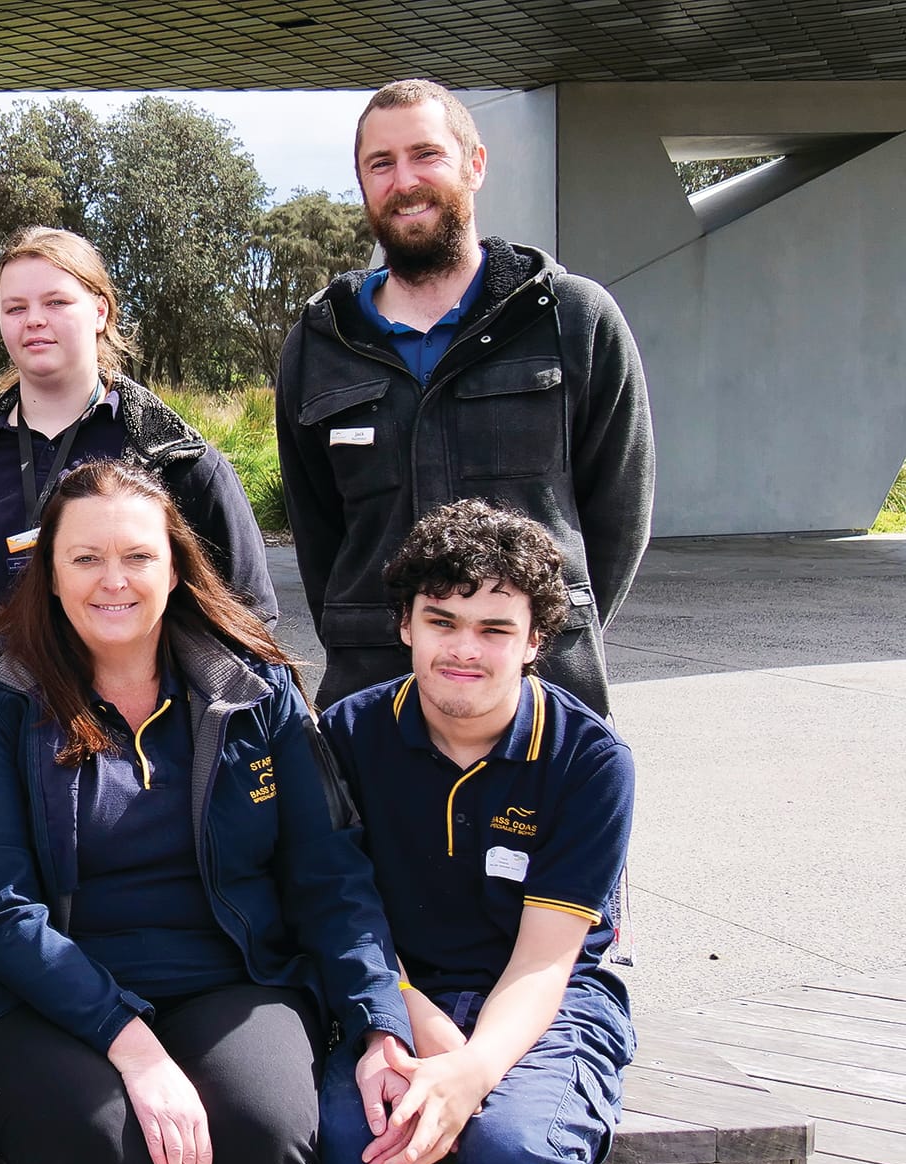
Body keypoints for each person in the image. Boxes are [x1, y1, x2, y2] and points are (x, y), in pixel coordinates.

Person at [0, 458, 410, 1164]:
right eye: (86, 556)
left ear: (176, 567)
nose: (114, 579)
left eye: (137, 555)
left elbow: (327, 877)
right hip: (37, 1003)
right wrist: (132, 1046)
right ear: (49, 573)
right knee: (109, 1143)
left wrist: (381, 1020)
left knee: (267, 1132)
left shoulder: (250, 691)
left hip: (229, 977)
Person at [316, 499, 638, 1164]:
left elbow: (547, 959)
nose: (466, 647)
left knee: (519, 1143)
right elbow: (342, 916)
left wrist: (472, 1071)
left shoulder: (589, 758)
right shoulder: (343, 737)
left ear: (536, 639)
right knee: (356, 1134)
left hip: (549, 996)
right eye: (443, 621)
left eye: (497, 626)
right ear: (404, 625)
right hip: (390, 993)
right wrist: (416, 1031)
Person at [277, 78, 654, 716]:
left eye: (426, 154)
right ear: (364, 182)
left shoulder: (572, 320)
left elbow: (619, 513)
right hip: (373, 700)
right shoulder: (319, 344)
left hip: (541, 695)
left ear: (474, 165)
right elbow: (317, 536)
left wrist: (535, 634)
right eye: (381, 163)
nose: (405, 180)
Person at [0, 226, 277, 709]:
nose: (34, 320)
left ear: (100, 310)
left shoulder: (176, 459)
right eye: (16, 308)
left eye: (56, 302)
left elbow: (248, 613)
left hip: (125, 751)